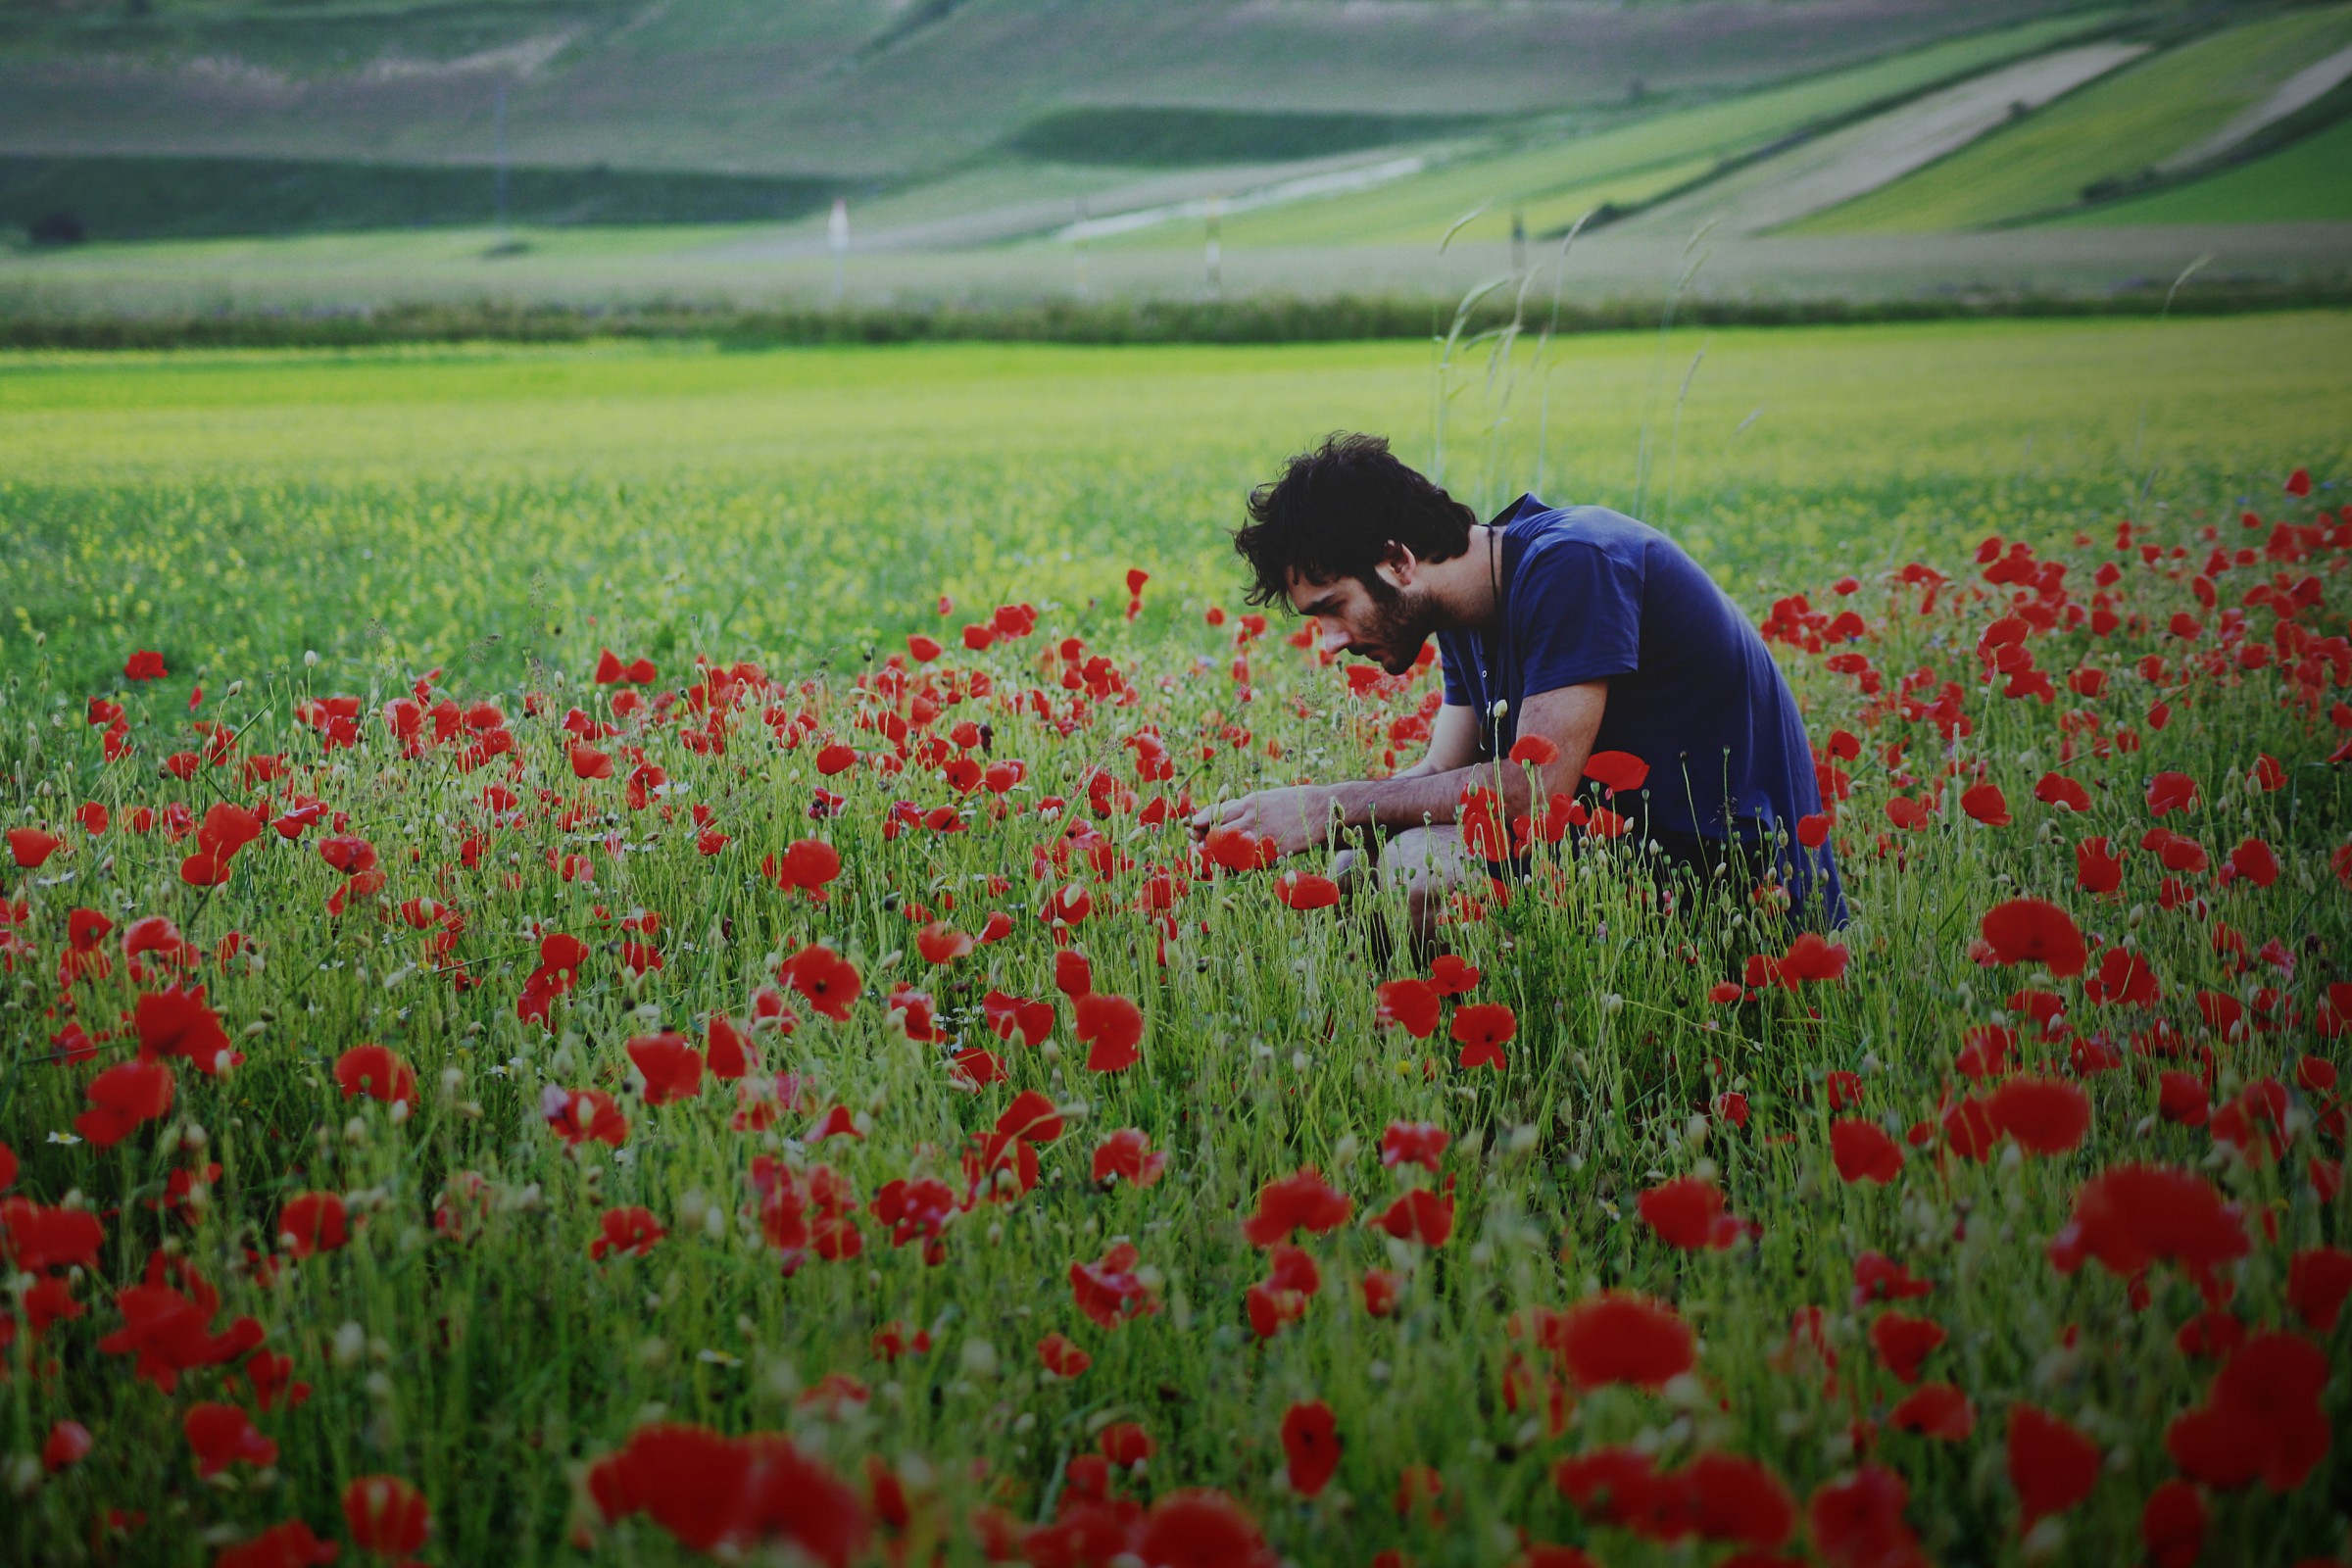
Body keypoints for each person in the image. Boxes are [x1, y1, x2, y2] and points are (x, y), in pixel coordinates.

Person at [1187, 431, 1844, 950]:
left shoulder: (1574, 563)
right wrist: (1276, 829)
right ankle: (1414, 1081)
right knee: (1355, 868)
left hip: (1734, 894)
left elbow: (1535, 790)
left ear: (1398, 561)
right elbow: (1443, 770)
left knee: (1422, 865)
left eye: (1334, 607)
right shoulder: (1465, 612)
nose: (1328, 643)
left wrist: (1324, 806)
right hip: (1618, 867)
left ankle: (1498, 1083)